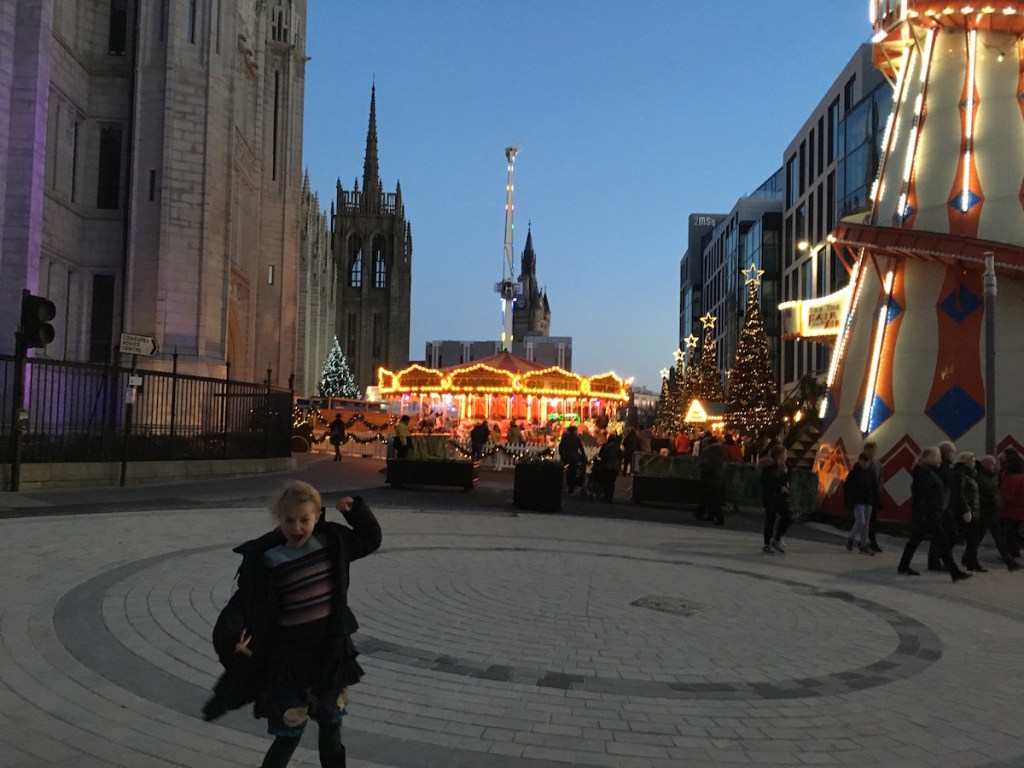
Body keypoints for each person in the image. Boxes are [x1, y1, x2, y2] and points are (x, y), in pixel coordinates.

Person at [203, 481, 382, 768]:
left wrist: (357, 512)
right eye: (289, 520)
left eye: (304, 520)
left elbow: (370, 539)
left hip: (329, 655)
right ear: (279, 519)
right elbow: (243, 602)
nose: (297, 527)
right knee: (288, 733)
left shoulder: (330, 544)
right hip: (289, 661)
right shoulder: (270, 559)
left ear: (317, 517)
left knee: (331, 728)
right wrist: (231, 636)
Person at [898, 447, 970, 581]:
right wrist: (928, 513)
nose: (939, 460)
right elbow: (924, 496)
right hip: (929, 514)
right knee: (941, 542)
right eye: (937, 457)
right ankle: (954, 572)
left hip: (927, 514)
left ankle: (903, 566)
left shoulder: (926, 472)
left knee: (914, 541)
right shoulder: (925, 473)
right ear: (930, 458)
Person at [972, 455, 1019, 572]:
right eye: (993, 464)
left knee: (977, 537)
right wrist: (990, 502)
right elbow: (981, 494)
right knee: (998, 536)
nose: (996, 466)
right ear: (987, 464)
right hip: (987, 511)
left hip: (992, 511)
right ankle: (1009, 561)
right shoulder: (981, 477)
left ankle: (968, 558)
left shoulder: (992, 477)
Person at [927, 440, 958, 571]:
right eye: (952, 452)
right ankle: (937, 560)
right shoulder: (942, 469)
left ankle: (937, 559)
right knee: (945, 534)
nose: (954, 455)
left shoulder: (944, 468)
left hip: (944, 506)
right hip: (941, 506)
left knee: (945, 534)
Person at [844, 451, 880, 555]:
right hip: (858, 501)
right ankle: (852, 538)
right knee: (861, 521)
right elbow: (848, 488)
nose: (865, 464)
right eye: (863, 462)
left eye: (867, 462)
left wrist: (877, 500)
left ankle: (862, 544)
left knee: (866, 523)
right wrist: (849, 501)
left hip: (868, 501)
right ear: (860, 461)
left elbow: (874, 487)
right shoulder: (854, 473)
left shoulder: (870, 473)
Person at [758, 444, 792, 554]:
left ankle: (775, 539)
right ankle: (769, 542)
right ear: (780, 455)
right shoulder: (772, 467)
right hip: (771, 496)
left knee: (785, 516)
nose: (787, 455)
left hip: (778, 496)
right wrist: (780, 487)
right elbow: (767, 481)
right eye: (785, 453)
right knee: (771, 518)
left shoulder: (783, 466)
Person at [1000, 448, 1024, 560]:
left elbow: (1006, 496)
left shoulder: (1009, 478)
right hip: (1020, 509)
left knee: (1010, 534)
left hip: (1011, 511)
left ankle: (1012, 553)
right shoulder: (1021, 477)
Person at [697, 434, 726, 526]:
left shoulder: (708, 452)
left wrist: (702, 466)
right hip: (716, 477)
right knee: (713, 498)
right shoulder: (718, 452)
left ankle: (717, 517)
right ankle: (712, 515)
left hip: (709, 477)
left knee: (712, 498)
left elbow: (707, 464)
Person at [862, 441, 884, 552]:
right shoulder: (868, 463)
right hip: (867, 494)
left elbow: (880, 478)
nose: (873, 452)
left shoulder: (877, 463)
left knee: (870, 519)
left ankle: (868, 541)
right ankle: (867, 541)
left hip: (872, 494)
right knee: (866, 520)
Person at [558, 425, 587, 494]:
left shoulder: (565, 438)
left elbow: (560, 447)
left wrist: (562, 455)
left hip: (566, 456)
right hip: (574, 457)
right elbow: (581, 448)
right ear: (574, 431)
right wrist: (583, 456)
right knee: (573, 472)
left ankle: (565, 486)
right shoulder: (577, 438)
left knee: (565, 472)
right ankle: (571, 488)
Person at [596, 434, 623, 502]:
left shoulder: (607, 447)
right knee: (611, 482)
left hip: (608, 466)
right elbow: (621, 457)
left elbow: (603, 456)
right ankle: (609, 497)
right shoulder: (618, 448)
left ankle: (606, 496)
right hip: (615, 467)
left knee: (607, 481)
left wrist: (601, 464)